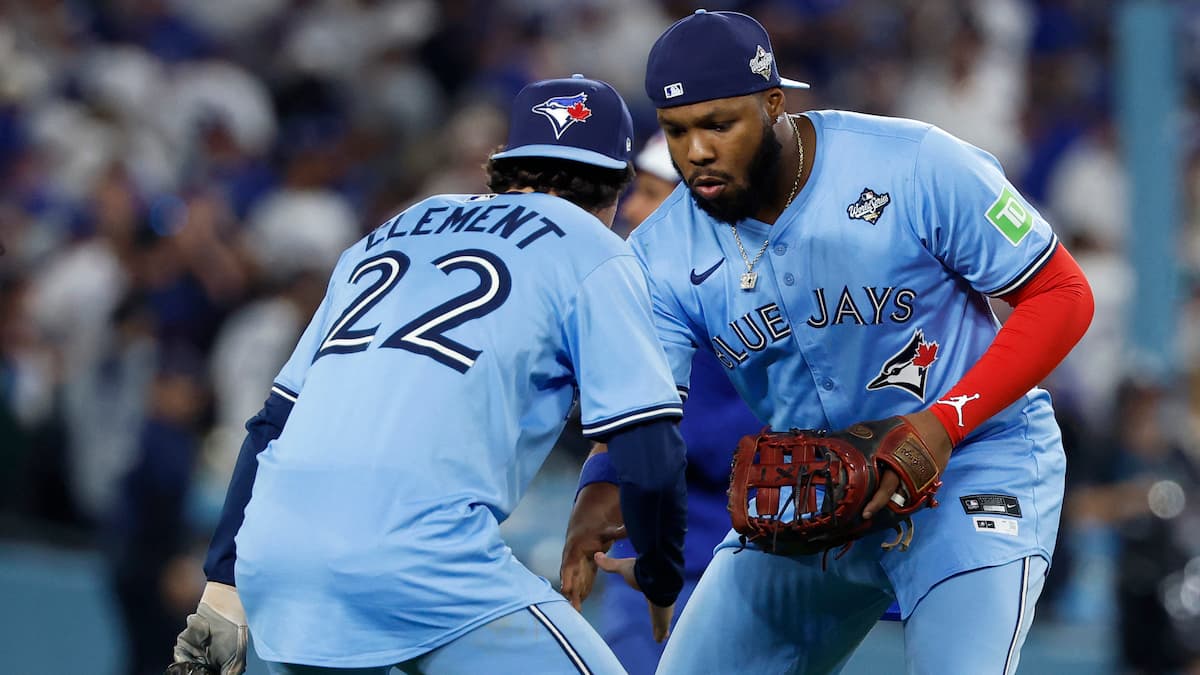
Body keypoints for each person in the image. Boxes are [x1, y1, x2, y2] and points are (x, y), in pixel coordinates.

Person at [562, 10, 1094, 674]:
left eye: (718, 124)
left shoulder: (914, 163)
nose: (695, 151)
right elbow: (647, 408)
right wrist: (604, 485)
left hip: (972, 467)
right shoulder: (662, 252)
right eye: (677, 131)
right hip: (813, 488)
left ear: (774, 104)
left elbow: (1062, 295)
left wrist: (946, 421)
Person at [167, 75, 689, 675]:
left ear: (504, 165)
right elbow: (650, 450)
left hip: (278, 567)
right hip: (421, 563)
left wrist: (223, 584)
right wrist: (659, 570)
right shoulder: (593, 247)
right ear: (616, 185)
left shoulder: (386, 232)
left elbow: (271, 424)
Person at [583, 133, 762, 675]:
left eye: (652, 192)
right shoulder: (645, 284)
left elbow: (682, 438)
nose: (632, 207)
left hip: (728, 553)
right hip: (665, 553)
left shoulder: (739, 294)